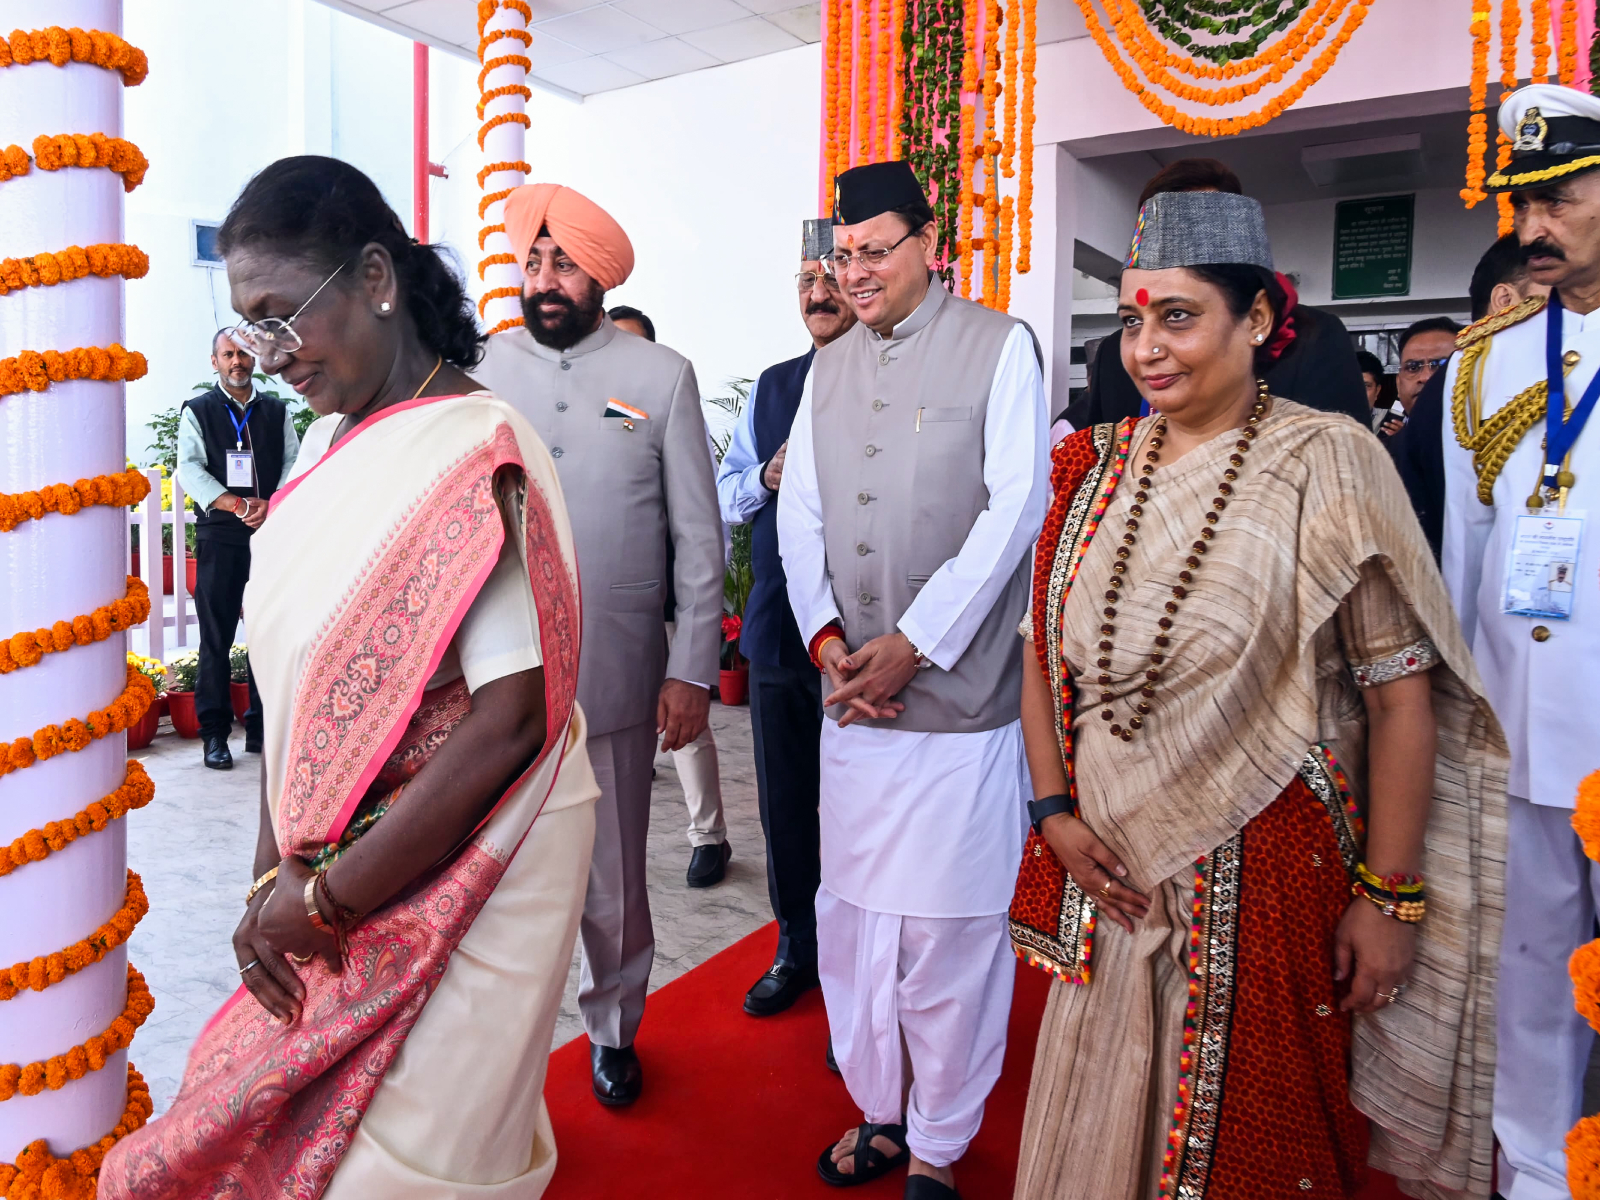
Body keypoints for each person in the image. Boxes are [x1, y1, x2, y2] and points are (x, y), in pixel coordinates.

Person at [98, 156, 598, 1199]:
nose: (266, 354)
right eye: (248, 328)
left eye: (281, 319)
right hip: (330, 866)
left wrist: (327, 898)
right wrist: (266, 878)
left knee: (411, 1163)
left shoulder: (477, 445)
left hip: (473, 867)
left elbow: (512, 717)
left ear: (375, 276)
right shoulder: (325, 446)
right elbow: (296, 687)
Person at [1010, 189, 1505, 1200]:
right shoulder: (1089, 467)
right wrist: (1053, 811)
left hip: (1264, 874)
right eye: (1133, 319)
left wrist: (1390, 896)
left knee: (1247, 1150)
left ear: (1260, 321)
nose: (1147, 348)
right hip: (1107, 863)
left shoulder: (1327, 461)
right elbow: (1040, 656)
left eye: (1180, 318)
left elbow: (1399, 697)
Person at [778, 161, 1047, 1198]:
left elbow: (1015, 507)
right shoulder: (825, 368)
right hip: (853, 699)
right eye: (841, 254)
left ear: (930, 242)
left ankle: (939, 1137)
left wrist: (918, 642)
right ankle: (878, 1112)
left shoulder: (996, 345)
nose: (855, 272)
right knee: (851, 924)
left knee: (945, 934)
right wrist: (828, 639)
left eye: (874, 249)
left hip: (958, 708)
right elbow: (799, 515)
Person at [477, 183, 723, 1107]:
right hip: (500, 673)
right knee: (499, 873)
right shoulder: (483, 371)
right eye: (533, 262)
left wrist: (692, 667)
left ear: (599, 273)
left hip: (618, 670)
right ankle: (505, 1045)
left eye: (564, 263)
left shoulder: (658, 377)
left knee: (614, 876)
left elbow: (701, 538)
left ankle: (615, 1030)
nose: (545, 280)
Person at [1442, 82, 1600, 1200]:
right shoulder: (1482, 364)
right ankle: (1537, 1175)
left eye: (1557, 200)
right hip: (1517, 734)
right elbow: (1462, 560)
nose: (1531, 230)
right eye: (1521, 204)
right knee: (1528, 976)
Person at [717, 218, 858, 1017]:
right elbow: (730, 494)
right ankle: (795, 947)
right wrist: (766, 475)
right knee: (784, 804)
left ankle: (853, 972)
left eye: (832, 273)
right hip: (777, 632)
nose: (817, 291)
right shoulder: (773, 387)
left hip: (864, 640)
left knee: (858, 811)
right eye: (805, 279)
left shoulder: (896, 382)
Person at [1074, 158, 1370, 428]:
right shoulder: (1115, 354)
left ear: (1258, 318)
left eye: (1204, 223)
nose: (1145, 350)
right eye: (1165, 225)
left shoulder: (1315, 337)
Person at [607, 302, 732, 888]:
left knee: (684, 725)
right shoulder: (589, 415)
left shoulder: (674, 409)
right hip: (603, 602)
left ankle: (709, 836)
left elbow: (704, 520)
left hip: (664, 595)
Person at [174, 329, 299, 769]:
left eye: (244, 353)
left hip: (269, 534)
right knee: (216, 638)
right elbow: (188, 466)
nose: (237, 361)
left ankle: (261, 731)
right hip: (220, 538)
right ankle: (214, 735)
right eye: (228, 354)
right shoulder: (199, 411)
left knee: (268, 634)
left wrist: (272, 502)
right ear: (215, 362)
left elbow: (291, 461)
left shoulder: (276, 410)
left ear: (255, 358)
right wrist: (234, 503)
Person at [1390, 234, 1547, 559]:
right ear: (1505, 299)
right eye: (1562, 297)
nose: (1425, 376)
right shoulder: (1457, 394)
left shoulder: (1546, 382)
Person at [1375, 316, 1461, 441]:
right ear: (1398, 384)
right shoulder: (1379, 456)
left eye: (1441, 366)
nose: (1425, 377)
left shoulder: (1492, 451)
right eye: (1413, 367)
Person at [1356, 348, 1386, 413]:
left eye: (1366, 386)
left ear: (1377, 391)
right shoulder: (1330, 420)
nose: (1358, 394)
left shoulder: (1387, 419)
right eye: (1352, 386)